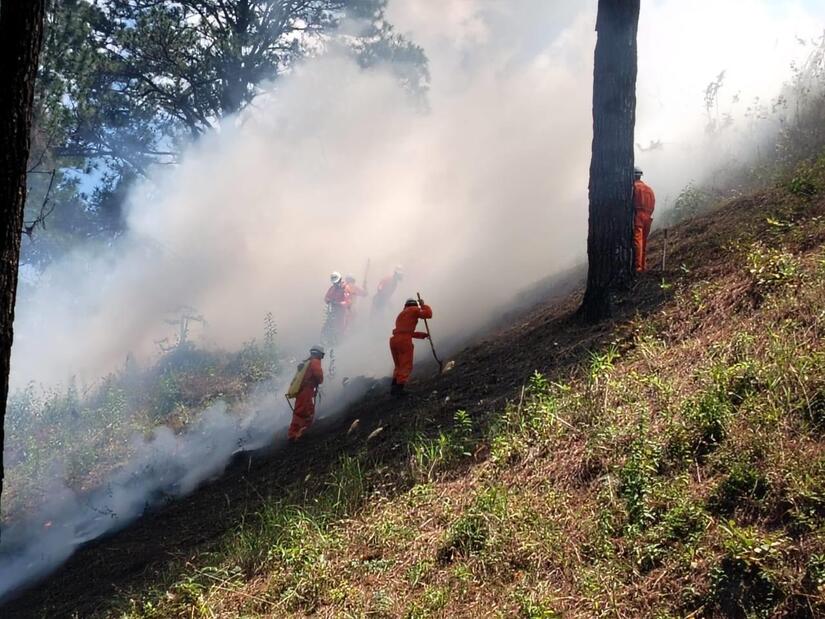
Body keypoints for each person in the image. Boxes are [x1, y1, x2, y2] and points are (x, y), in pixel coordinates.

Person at [389, 297, 433, 396]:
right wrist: (423, 305)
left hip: (394, 340)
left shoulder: (401, 314)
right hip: (403, 341)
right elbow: (428, 314)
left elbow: (406, 332)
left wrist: (423, 335)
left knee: (398, 365)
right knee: (406, 364)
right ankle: (399, 389)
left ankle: (394, 387)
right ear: (414, 305)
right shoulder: (414, 309)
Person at [288, 345, 325, 441]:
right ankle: (298, 434)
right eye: (322, 355)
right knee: (305, 411)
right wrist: (319, 381)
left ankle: (296, 433)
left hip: (302, 391)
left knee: (302, 411)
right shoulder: (315, 362)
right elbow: (319, 377)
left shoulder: (306, 362)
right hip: (306, 391)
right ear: (319, 354)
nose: (321, 358)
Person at [633, 167, 656, 273]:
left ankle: (637, 267)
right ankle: (643, 266)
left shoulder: (633, 188)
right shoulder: (649, 190)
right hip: (648, 217)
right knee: (644, 242)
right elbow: (653, 205)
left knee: (637, 241)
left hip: (638, 216)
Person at [323, 271, 351, 344]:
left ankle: (340, 343)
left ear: (340, 280)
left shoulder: (345, 288)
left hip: (342, 313)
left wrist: (337, 303)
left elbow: (347, 302)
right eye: (334, 283)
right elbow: (326, 297)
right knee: (327, 326)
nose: (335, 284)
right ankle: (326, 341)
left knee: (341, 329)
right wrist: (328, 300)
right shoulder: (332, 288)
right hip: (332, 312)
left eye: (336, 283)